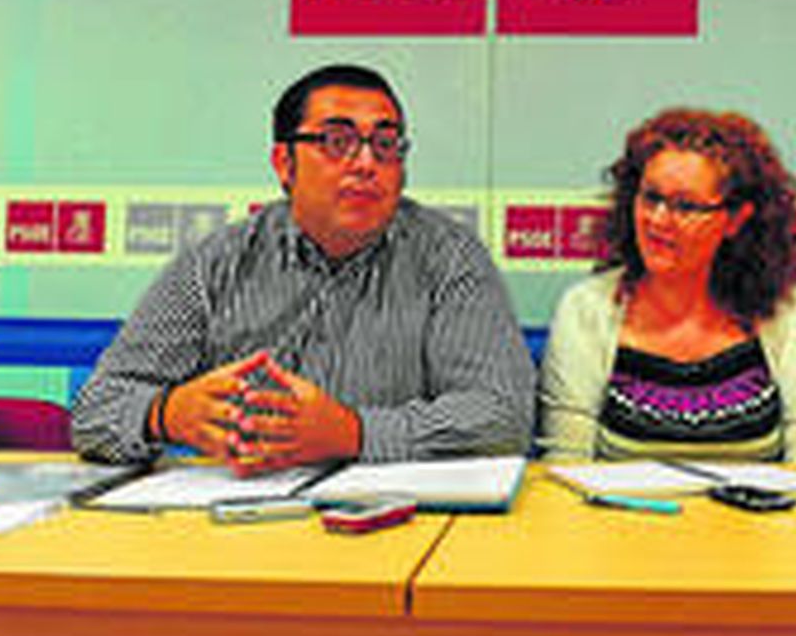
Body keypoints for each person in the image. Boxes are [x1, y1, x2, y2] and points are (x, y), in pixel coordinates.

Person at [72, 64, 534, 469]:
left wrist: (354, 434)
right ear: (284, 162)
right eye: (338, 142)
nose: (367, 163)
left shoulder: (449, 258)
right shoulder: (217, 264)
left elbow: (501, 418)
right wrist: (166, 413)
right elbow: (95, 411)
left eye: (386, 144)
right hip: (242, 524)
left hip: (394, 525)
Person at [539, 108, 796, 463]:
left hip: (759, 518)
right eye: (650, 197)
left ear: (735, 219)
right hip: (619, 517)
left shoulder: (788, 311)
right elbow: (564, 465)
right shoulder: (586, 308)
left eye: (684, 206)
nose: (657, 220)